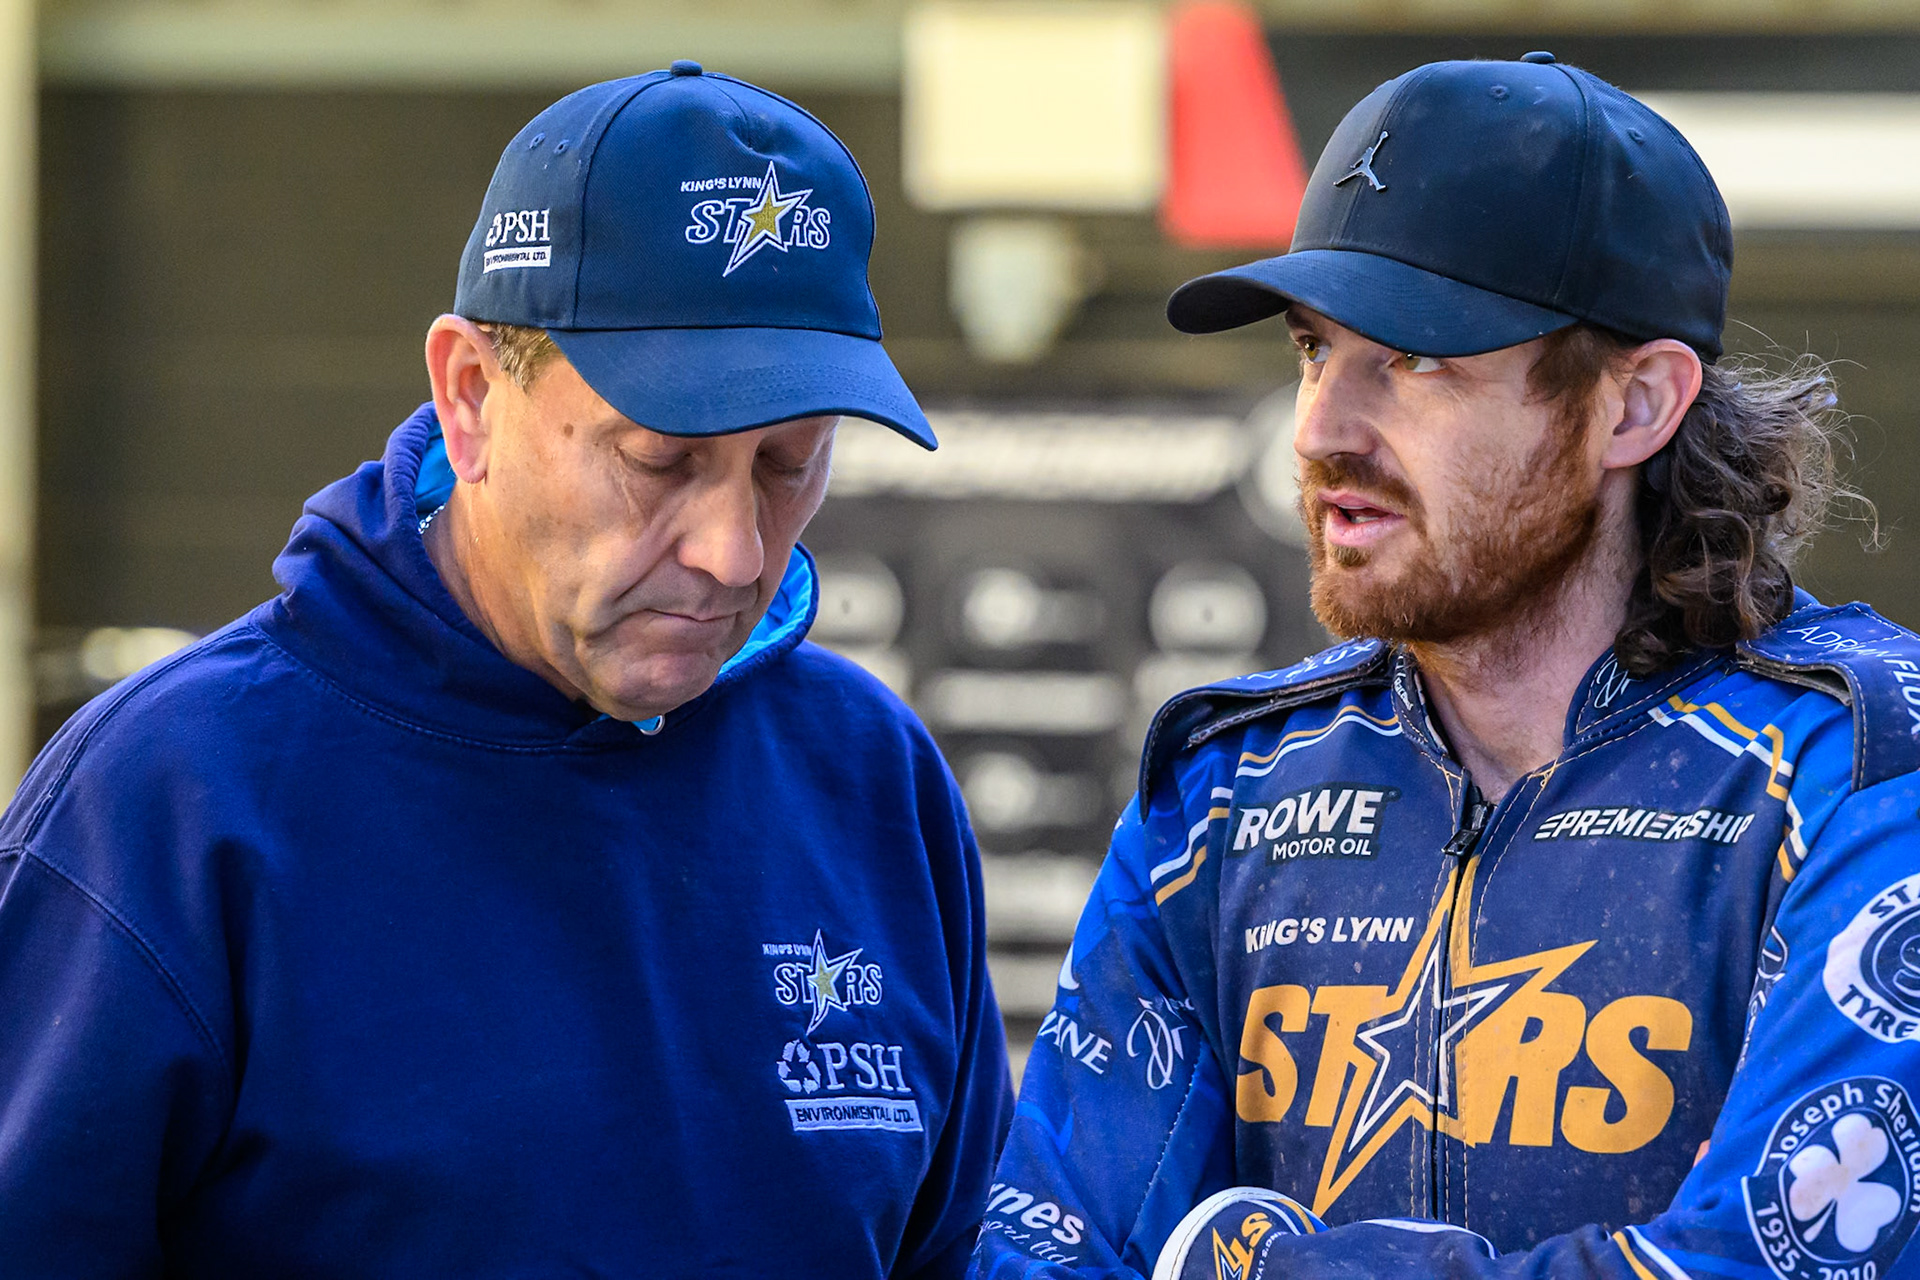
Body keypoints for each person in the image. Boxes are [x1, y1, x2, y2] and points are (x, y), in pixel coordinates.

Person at [0, 64, 1010, 1277]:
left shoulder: (870, 782)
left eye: (789, 464)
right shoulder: (167, 807)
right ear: (472, 395)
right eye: (662, 460)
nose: (734, 549)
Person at [974, 53, 1920, 1280]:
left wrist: (1261, 1264)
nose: (1319, 428)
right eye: (1316, 349)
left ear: (1635, 407)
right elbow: (1045, 1244)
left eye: (1415, 360)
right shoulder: (1228, 791)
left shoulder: (1856, 769)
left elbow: (1773, 1261)